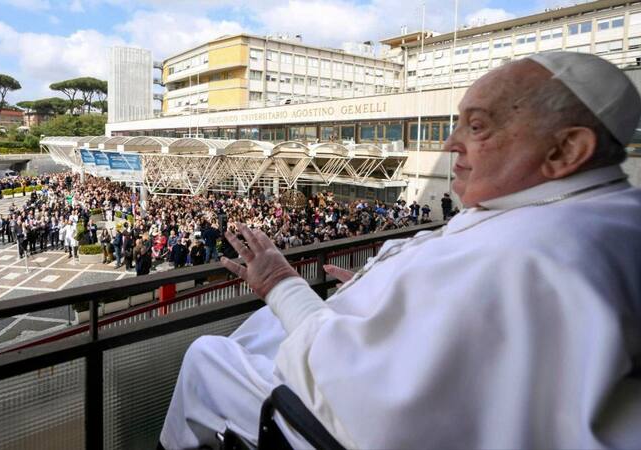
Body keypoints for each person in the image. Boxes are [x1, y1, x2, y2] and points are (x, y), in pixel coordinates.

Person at [159, 52, 641, 449]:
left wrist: (279, 283)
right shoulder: (595, 210)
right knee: (264, 326)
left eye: (477, 126)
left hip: (336, 424)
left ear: (566, 150)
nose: (451, 143)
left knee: (208, 354)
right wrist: (385, 294)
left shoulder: (530, 251)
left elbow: (368, 398)